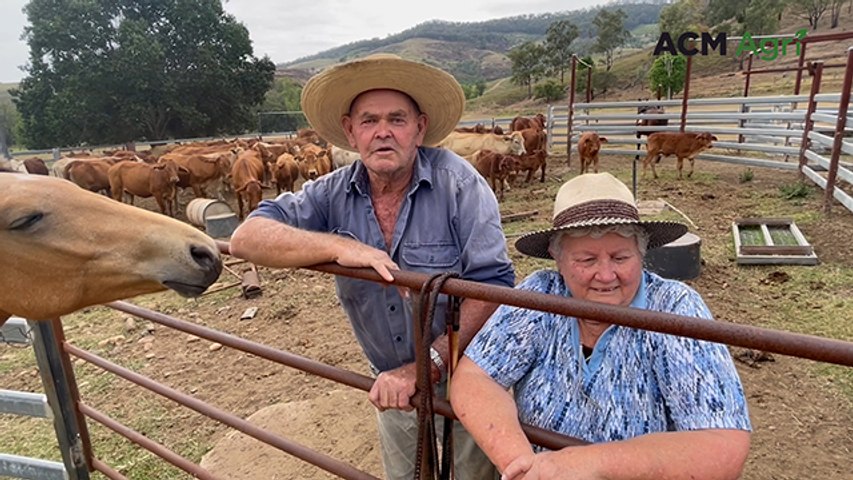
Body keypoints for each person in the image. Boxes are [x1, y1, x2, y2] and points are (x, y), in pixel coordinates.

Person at [229, 54, 514, 479]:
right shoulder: (332, 192)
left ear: (419, 127)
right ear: (350, 130)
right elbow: (245, 238)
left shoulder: (460, 184)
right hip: (390, 379)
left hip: (467, 372)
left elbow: (494, 285)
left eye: (397, 119)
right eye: (369, 120)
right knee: (406, 476)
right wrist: (340, 247)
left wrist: (425, 366)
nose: (383, 132)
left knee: (473, 475)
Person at [451, 172, 751, 480]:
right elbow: (475, 377)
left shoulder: (675, 308)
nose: (606, 275)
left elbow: (722, 444)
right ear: (558, 259)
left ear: (641, 253)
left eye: (620, 257)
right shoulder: (540, 295)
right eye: (587, 260)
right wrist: (523, 465)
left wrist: (588, 464)